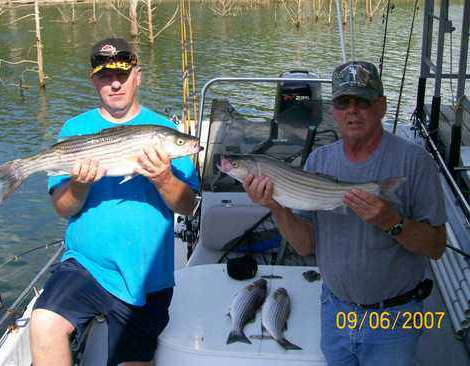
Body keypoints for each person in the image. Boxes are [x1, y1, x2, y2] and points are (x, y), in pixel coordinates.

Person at [243, 61, 446, 366]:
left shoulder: (416, 163)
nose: (352, 110)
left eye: (362, 101)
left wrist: (392, 222)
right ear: (333, 110)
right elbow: (305, 246)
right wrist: (275, 205)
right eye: (343, 102)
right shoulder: (318, 161)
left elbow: (437, 247)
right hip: (335, 311)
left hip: (395, 317)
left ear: (382, 106)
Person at [29, 38, 199, 366]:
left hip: (146, 275)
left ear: (138, 76)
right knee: (43, 322)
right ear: (94, 81)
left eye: (122, 74)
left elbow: (189, 206)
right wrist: (78, 186)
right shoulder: (74, 130)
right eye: (105, 77)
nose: (115, 83)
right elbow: (62, 207)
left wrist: (163, 178)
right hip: (86, 266)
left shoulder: (163, 130)